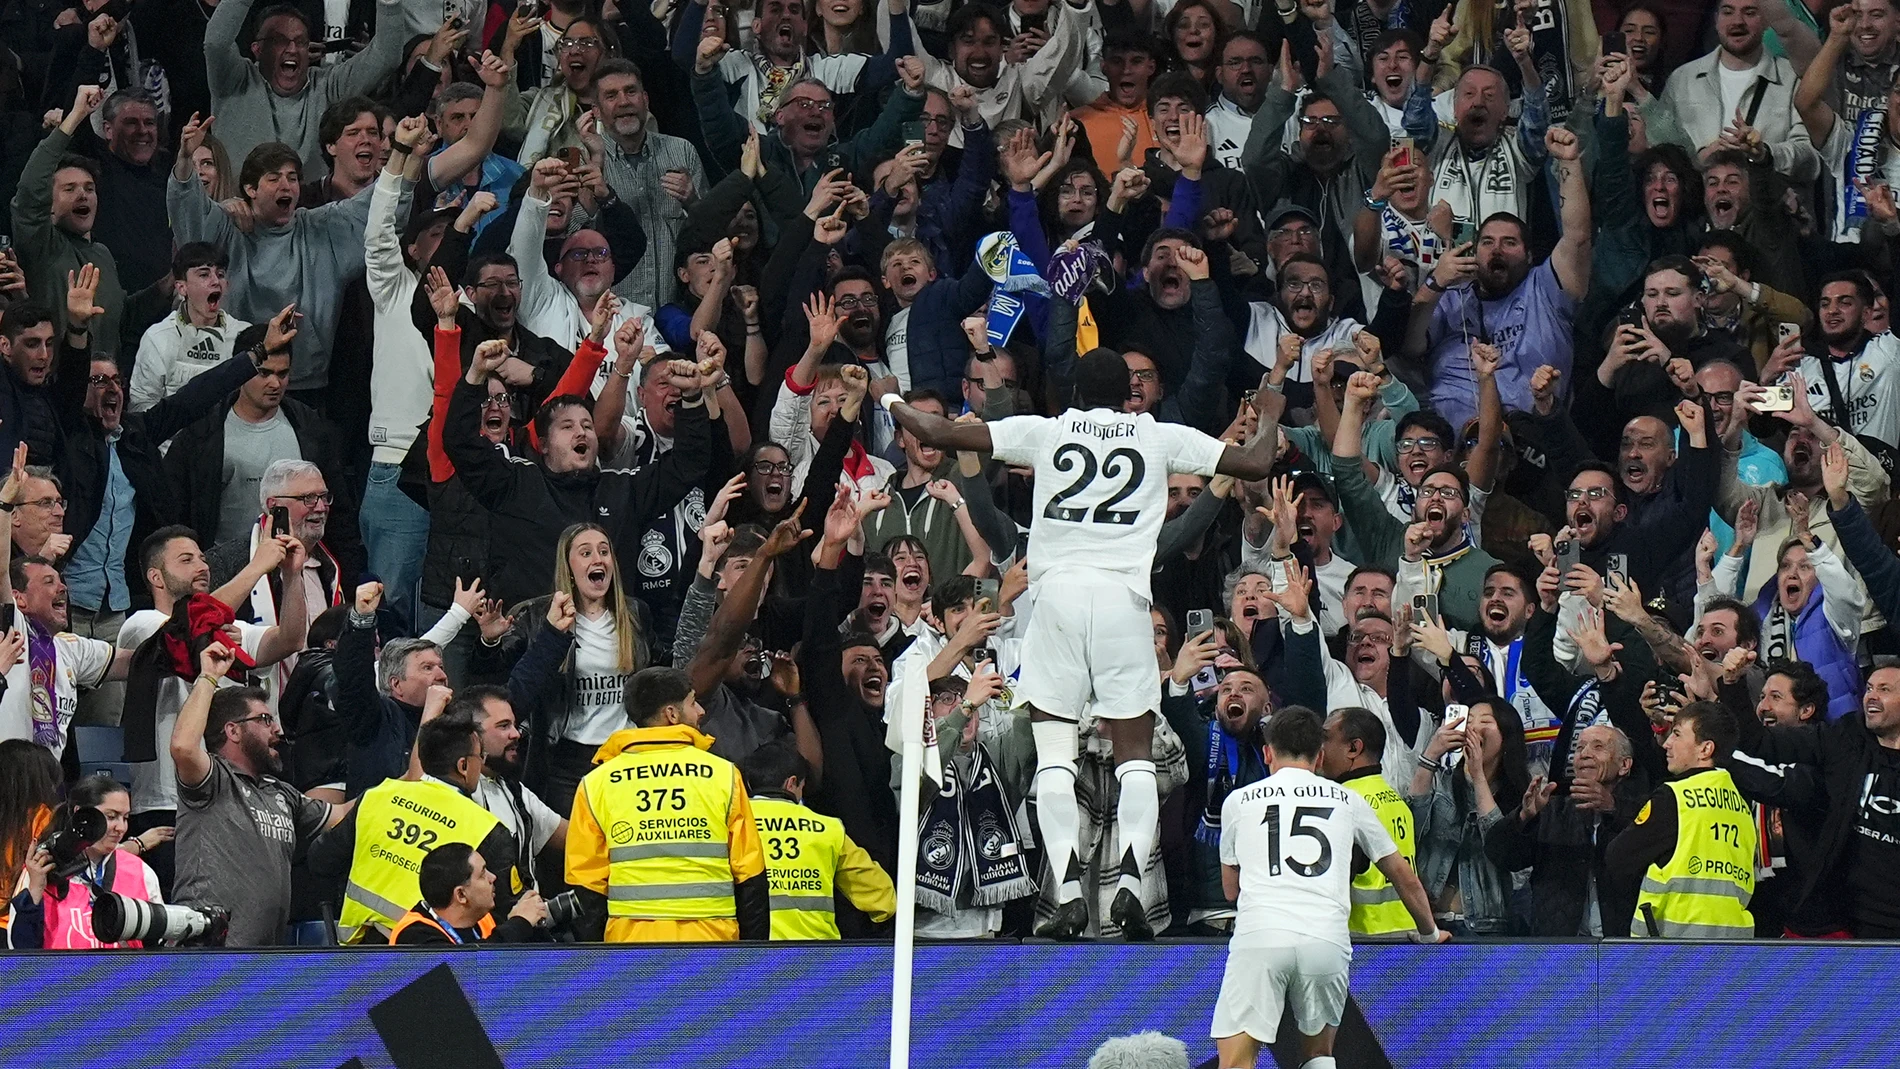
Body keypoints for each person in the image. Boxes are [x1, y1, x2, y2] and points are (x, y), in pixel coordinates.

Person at [884, 349, 1279, 940]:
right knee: (1137, 756)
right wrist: (1269, 409)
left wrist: (889, 393)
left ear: (1072, 392)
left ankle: (1067, 887)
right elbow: (1255, 461)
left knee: (1053, 756)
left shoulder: (1047, 431)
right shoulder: (1159, 435)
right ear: (1130, 396)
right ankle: (1129, 887)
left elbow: (937, 428)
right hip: (1124, 600)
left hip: (1058, 598)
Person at [1211, 707, 1444, 1069]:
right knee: (1319, 1055)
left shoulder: (1239, 802)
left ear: (1268, 752)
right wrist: (1429, 933)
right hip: (1326, 941)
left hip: (1262, 937)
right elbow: (1402, 874)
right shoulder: (1349, 800)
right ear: (1319, 756)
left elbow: (1230, 890)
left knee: (1237, 1059)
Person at [566, 665, 768, 942]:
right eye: (693, 702)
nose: (701, 711)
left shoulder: (596, 783)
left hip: (632, 948)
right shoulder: (723, 774)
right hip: (713, 944)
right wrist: (753, 955)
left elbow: (586, 886)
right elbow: (751, 875)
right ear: (671, 715)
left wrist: (600, 964)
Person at [168, 641, 349, 946]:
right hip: (207, 953)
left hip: (263, 959)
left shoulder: (281, 793)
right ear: (233, 731)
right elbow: (184, 748)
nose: (276, 729)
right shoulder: (214, 779)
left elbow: (345, 815)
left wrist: (405, 783)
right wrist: (209, 677)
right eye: (265, 720)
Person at [313, 714, 523, 943]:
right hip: (433, 957)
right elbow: (507, 911)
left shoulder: (377, 797)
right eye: (479, 757)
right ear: (463, 766)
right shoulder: (488, 829)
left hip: (358, 954)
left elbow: (320, 859)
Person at [1605, 700, 1757, 939]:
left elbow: (1617, 858)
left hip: (1674, 950)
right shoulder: (1742, 804)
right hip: (1733, 949)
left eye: (1677, 734)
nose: (1667, 744)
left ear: (1705, 749)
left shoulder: (1675, 797)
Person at [204, 0, 408, 173]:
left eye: (300, 42)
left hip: (309, 215)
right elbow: (215, 42)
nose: (292, 49)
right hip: (237, 214)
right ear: (257, 49)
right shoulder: (234, 80)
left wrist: (389, 3)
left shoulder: (327, 86)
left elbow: (386, 55)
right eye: (279, 41)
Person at [738, 738, 895, 939]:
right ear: (791, 783)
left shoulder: (736, 822)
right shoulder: (828, 828)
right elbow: (881, 895)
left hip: (746, 955)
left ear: (750, 782)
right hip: (817, 956)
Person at [11, 86, 124, 353]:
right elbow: (29, 190)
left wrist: (166, 285)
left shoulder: (103, 254)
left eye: (89, 188)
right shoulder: (42, 244)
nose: (83, 195)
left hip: (106, 382)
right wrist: (75, 116)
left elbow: (120, 321)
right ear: (48, 205)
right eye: (69, 189)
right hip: (55, 382)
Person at [6, 773, 165, 949]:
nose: (121, 828)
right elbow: (19, 947)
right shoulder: (41, 869)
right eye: (111, 816)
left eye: (125, 818)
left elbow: (158, 946)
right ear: (82, 815)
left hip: (127, 975)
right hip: (59, 976)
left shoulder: (140, 872)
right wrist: (35, 890)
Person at [1316, 706, 1416, 940]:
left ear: (1354, 748)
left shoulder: (1344, 802)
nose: (1319, 748)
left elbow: (1330, 879)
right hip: (1405, 930)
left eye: (1326, 738)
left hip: (1365, 937)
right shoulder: (1393, 796)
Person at [129, 244, 253, 413]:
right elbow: (142, 406)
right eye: (204, 275)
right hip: (172, 439)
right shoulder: (158, 338)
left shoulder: (243, 335)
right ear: (182, 287)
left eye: (220, 275)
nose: (215, 281)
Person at [389, 841, 550, 944]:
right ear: (461, 895)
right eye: (483, 874)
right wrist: (519, 923)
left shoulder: (485, 919)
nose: (493, 878)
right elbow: (466, 971)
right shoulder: (415, 936)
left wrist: (533, 923)